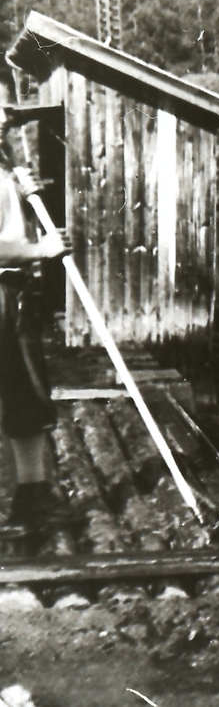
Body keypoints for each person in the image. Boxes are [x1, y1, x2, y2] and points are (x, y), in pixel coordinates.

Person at [0, 108, 70, 552]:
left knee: (26, 393)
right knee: (19, 387)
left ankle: (32, 494)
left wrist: (26, 193)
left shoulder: (4, 164)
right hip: (2, 289)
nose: (5, 118)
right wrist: (39, 248)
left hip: (15, 290)